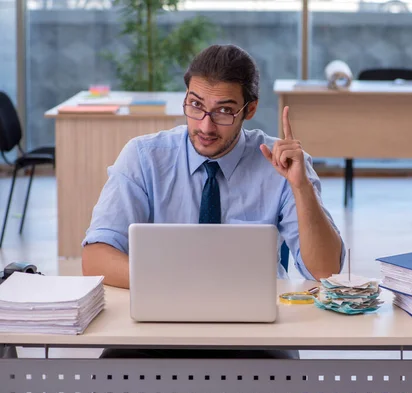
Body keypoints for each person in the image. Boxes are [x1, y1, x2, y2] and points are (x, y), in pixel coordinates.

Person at [80, 44, 346, 358]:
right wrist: (185, 282)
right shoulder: (144, 157)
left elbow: (326, 272)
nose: (205, 126)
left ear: (249, 110)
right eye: (195, 105)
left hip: (254, 332)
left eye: (223, 111)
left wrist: (302, 189)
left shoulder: (283, 163)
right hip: (157, 324)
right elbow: (95, 257)